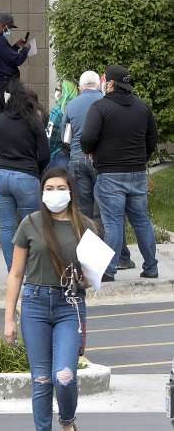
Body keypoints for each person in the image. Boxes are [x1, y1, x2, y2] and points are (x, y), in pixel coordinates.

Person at [3, 167, 97, 431]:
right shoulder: (29, 224)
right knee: (42, 379)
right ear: (41, 192)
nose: (55, 194)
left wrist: (86, 279)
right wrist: (9, 318)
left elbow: (93, 277)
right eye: (49, 189)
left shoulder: (85, 226)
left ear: (70, 192)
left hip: (69, 304)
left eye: (60, 188)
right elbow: (16, 274)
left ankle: (67, 421)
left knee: (64, 376)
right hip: (35, 304)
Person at [81, 65, 159, 281]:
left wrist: (91, 152)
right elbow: (152, 139)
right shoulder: (143, 107)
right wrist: (140, 159)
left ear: (112, 83)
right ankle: (151, 267)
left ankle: (108, 270)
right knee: (142, 221)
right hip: (137, 173)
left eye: (106, 80)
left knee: (113, 223)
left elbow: (87, 139)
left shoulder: (100, 107)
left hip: (110, 175)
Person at [0, 81, 50, 271]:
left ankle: (13, 270)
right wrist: (35, 171)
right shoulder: (35, 123)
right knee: (31, 224)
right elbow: (45, 155)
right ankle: (32, 269)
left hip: (1, 176)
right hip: (26, 176)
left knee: (7, 226)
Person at [63, 71, 117, 262]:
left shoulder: (71, 105)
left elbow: (65, 138)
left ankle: (86, 257)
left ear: (80, 87)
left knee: (84, 211)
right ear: (98, 85)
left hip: (77, 160)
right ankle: (110, 256)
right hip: (102, 161)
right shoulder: (108, 102)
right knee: (106, 210)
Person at [0, 13, 30, 112]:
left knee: (1, 111)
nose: (9, 30)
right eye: (9, 27)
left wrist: (17, 46)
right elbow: (15, 60)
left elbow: (4, 57)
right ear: (3, 25)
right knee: (8, 111)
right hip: (3, 84)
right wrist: (25, 50)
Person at [44, 78, 78, 173]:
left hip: (58, 157)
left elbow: (49, 140)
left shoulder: (57, 112)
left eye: (59, 89)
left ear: (66, 92)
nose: (56, 92)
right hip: (76, 157)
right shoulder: (77, 110)